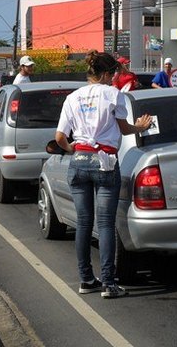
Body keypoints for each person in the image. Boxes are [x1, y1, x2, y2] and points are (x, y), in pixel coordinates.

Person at [55, 50, 152, 299]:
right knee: (106, 223)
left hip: (78, 162)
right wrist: (140, 126)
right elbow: (124, 128)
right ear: (107, 74)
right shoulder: (113, 94)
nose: (113, 80)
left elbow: (60, 138)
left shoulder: (72, 98)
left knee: (83, 223)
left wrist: (74, 148)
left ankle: (86, 279)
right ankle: (108, 283)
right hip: (105, 162)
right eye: (113, 75)